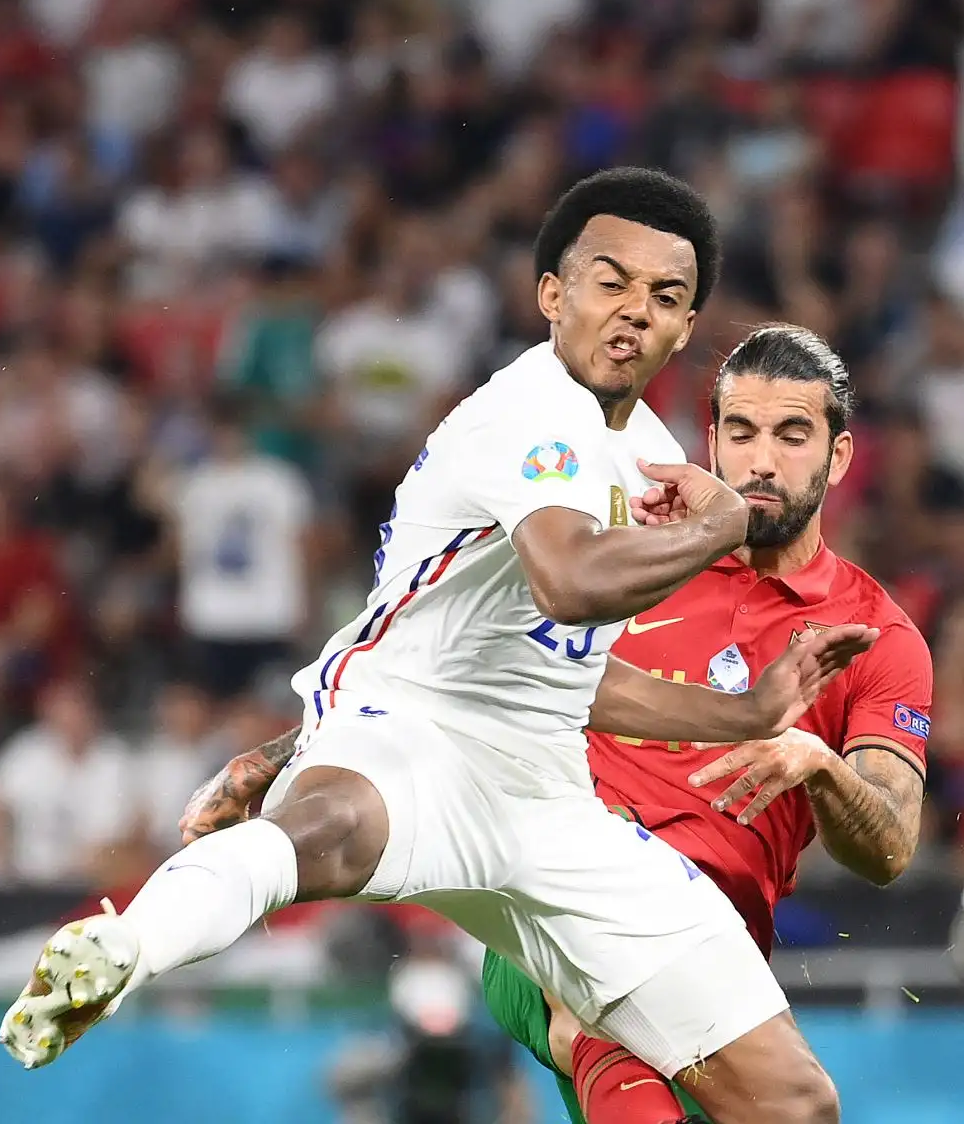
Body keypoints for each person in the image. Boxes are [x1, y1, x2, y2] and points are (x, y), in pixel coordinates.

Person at [0, 168, 877, 1124]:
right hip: (414, 734)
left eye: (665, 297)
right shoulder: (530, 415)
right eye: (608, 281)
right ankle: (124, 951)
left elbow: (570, 676)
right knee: (323, 837)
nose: (633, 312)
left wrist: (743, 714)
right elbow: (571, 582)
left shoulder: (642, 451)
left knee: (793, 1103)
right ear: (553, 293)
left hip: (547, 792)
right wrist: (727, 522)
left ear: (686, 325)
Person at [185, 325, 933, 1123]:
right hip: (550, 913)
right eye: (741, 432)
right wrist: (273, 759)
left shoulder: (875, 638)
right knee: (592, 1003)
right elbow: (447, 667)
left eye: (792, 435)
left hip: (711, 969)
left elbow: (888, 847)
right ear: (710, 441)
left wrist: (819, 763)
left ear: (839, 456)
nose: (760, 460)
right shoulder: (630, 566)